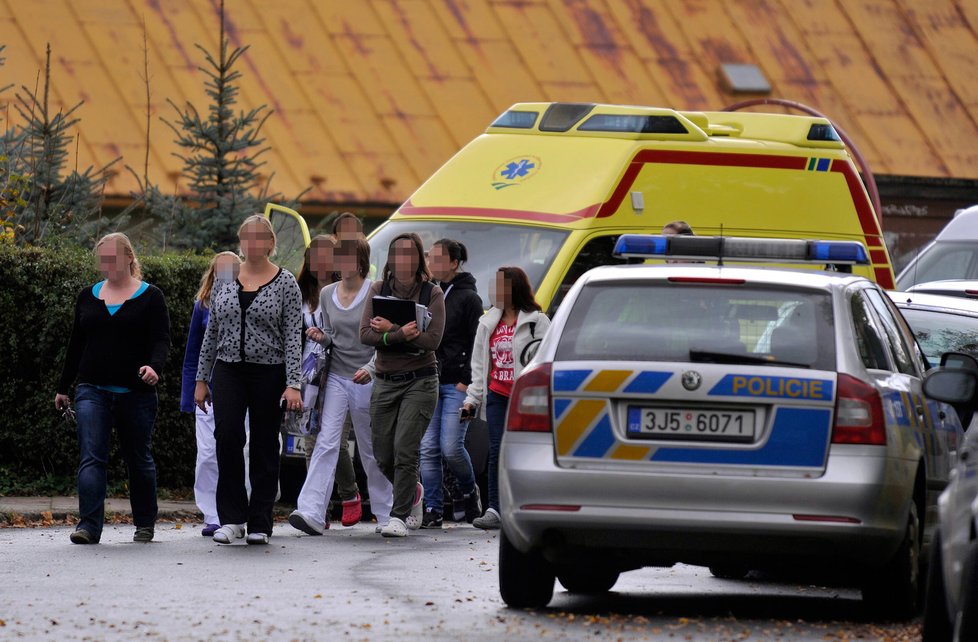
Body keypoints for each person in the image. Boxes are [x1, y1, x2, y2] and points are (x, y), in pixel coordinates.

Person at [194, 214, 303, 546]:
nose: (252, 243)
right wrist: (201, 379)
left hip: (268, 371)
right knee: (226, 437)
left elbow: (293, 337)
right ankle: (231, 518)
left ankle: (260, 521)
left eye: (259, 237)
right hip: (228, 370)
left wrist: (293, 383)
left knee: (264, 445)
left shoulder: (286, 283)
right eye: (246, 237)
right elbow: (211, 332)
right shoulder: (226, 276)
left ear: (270, 244)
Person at [55, 233, 170, 544]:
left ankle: (145, 523)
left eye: (112, 257)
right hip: (92, 390)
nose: (106, 264)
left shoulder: (151, 297)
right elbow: (75, 345)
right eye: (102, 259)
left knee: (139, 458)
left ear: (129, 257)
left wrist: (153, 368)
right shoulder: (87, 297)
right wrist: (63, 387)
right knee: (92, 457)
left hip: (137, 394)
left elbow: (161, 340)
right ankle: (88, 527)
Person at [290, 238, 394, 535]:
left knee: (370, 447)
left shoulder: (374, 291)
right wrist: (321, 337)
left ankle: (386, 513)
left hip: (365, 376)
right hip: (335, 376)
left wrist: (371, 368)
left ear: (361, 261)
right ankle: (311, 510)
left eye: (348, 258)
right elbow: (332, 334)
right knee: (325, 441)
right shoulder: (326, 293)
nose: (342, 263)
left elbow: (378, 337)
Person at [360, 232, 446, 538]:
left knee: (405, 450)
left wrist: (392, 328)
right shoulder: (378, 288)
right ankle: (414, 490)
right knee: (382, 454)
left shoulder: (432, 293)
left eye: (410, 254)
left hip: (420, 381)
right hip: (384, 380)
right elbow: (366, 335)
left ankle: (398, 515)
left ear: (419, 259)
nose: (403, 260)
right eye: (397, 254)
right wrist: (398, 336)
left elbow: (432, 341)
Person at [462, 267, 550, 530]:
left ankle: (529, 504)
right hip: (498, 395)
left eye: (502, 286)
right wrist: (472, 399)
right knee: (498, 450)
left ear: (515, 289)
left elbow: (546, 360)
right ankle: (495, 509)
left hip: (527, 397)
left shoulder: (538, 321)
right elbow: (479, 366)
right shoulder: (487, 323)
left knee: (527, 450)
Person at [295, 235, 362, 529]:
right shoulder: (299, 292)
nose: (321, 260)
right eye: (315, 254)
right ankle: (316, 510)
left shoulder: (350, 289)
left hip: (342, 369)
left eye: (328, 254)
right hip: (309, 372)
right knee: (313, 439)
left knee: (334, 439)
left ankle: (350, 493)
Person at [419, 239, 484, 528]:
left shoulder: (469, 298)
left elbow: (477, 343)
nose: (430, 261)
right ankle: (432, 508)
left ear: (454, 263)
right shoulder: (428, 292)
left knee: (451, 447)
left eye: (436, 257)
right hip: (429, 381)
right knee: (428, 448)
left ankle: (469, 491)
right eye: (429, 256)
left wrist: (466, 381)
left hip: (458, 388)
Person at [181, 251, 242, 537]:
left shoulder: (248, 300)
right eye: (221, 270)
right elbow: (193, 353)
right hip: (209, 392)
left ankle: (244, 509)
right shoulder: (202, 307)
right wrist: (191, 390)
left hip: (241, 389)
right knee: (207, 454)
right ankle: (213, 514)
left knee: (242, 450)